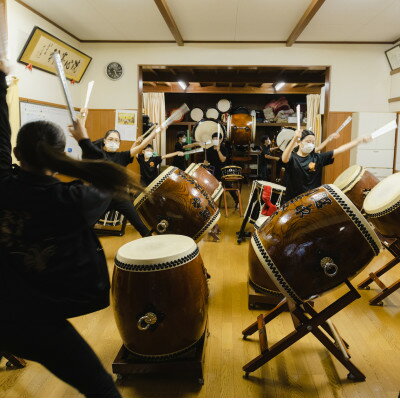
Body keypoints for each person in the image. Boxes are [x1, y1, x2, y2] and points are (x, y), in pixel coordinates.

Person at [0, 61, 125, 397]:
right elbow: (108, 179)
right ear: (59, 154)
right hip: (36, 319)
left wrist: (0, 79)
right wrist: (86, 140)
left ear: (15, 153)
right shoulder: (69, 200)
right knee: (103, 391)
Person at [79, 110, 157, 237]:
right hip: (101, 196)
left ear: (119, 143)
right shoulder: (97, 154)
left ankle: (153, 245)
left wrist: (154, 133)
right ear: (104, 141)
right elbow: (83, 138)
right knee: (87, 225)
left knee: (139, 224)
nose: (113, 142)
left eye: (116, 140)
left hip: (120, 197)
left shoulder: (122, 156)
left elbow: (141, 145)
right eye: (110, 139)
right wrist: (83, 117)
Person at [282, 128, 371, 202]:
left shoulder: (317, 158)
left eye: (313, 142)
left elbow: (340, 150)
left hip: (312, 201)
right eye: (308, 141)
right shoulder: (292, 158)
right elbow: (284, 158)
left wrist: (358, 141)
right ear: (299, 142)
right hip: (292, 201)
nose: (311, 144)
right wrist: (294, 138)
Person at [205, 132, 239, 208]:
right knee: (207, 186)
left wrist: (218, 150)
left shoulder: (224, 149)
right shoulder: (209, 150)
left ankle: (237, 201)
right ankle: (208, 204)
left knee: (228, 185)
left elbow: (223, 160)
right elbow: (207, 162)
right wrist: (206, 163)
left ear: (220, 140)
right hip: (212, 172)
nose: (215, 140)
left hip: (222, 171)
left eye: (217, 139)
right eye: (213, 139)